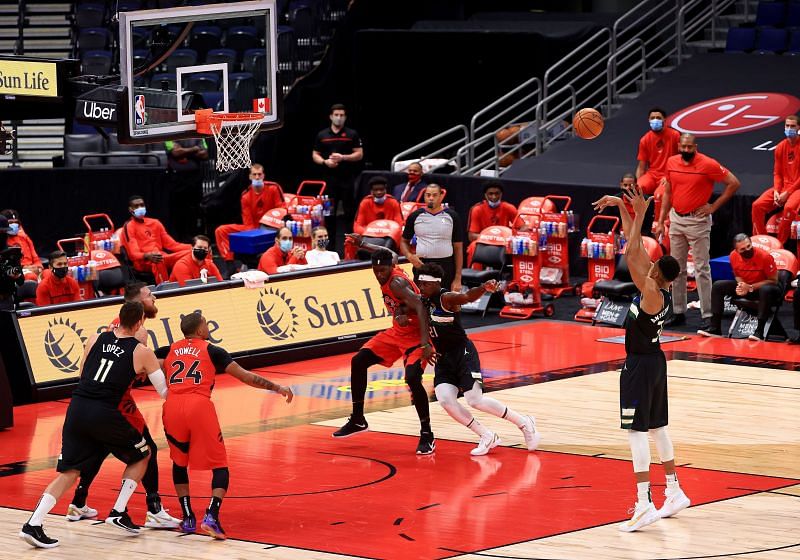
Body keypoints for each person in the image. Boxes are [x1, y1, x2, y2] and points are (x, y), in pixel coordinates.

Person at [19, 301, 169, 548]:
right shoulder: (142, 351)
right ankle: (119, 511)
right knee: (143, 453)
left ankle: (33, 524)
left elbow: (83, 373)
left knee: (69, 471)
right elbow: (163, 391)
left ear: (118, 318)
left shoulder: (94, 338)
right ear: (141, 322)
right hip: (104, 411)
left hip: (76, 407)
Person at [593, 184, 688, 533]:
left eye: (651, 265)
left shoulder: (650, 293)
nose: (645, 264)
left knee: (636, 433)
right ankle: (675, 490)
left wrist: (640, 213)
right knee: (659, 428)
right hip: (655, 363)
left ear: (657, 273)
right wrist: (622, 206)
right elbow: (634, 253)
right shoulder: (656, 285)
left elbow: (632, 248)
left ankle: (644, 501)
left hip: (639, 365)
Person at [157, 312, 293, 538]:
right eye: (206, 324)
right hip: (199, 406)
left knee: (179, 462)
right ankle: (212, 515)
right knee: (220, 464)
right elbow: (246, 377)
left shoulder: (168, 350)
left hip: (171, 406)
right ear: (201, 331)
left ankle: (188, 516)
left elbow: (144, 365)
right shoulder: (213, 351)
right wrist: (277, 387)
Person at [67, 283, 179, 529]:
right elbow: (143, 372)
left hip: (91, 399)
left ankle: (78, 500)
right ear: (138, 302)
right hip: (118, 402)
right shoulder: (139, 335)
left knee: (97, 448)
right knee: (145, 449)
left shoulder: (111, 327)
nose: (153, 297)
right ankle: (153, 508)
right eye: (149, 295)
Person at [417, 263, 541, 456]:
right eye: (420, 283)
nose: (421, 287)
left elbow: (466, 297)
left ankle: (524, 423)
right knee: (445, 400)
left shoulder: (446, 298)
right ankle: (486, 435)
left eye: (425, 284)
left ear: (435, 284)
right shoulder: (421, 301)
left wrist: (483, 288)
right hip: (443, 358)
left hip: (463, 353)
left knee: (475, 400)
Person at [333, 245, 435, 455]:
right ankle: (358, 418)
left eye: (383, 271)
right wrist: (363, 244)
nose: (380, 275)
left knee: (413, 378)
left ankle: (427, 434)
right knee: (358, 361)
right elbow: (386, 251)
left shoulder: (396, 282)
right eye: (376, 271)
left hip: (416, 335)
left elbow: (422, 307)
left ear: (391, 268)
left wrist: (425, 344)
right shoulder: (390, 262)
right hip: (397, 333)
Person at [655, 133, 741, 327]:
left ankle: (708, 315)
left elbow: (734, 183)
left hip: (698, 221)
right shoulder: (671, 162)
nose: (686, 151)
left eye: (689, 148)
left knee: (702, 268)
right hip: (676, 218)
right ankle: (678, 311)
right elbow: (668, 191)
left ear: (696, 147)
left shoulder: (708, 164)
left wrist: (713, 206)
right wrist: (661, 221)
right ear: (679, 146)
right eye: (683, 147)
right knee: (676, 268)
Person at [698, 234, 780, 341]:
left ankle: (759, 331)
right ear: (736, 250)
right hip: (746, 285)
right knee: (718, 285)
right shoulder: (733, 256)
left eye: (748, 246)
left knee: (766, 290)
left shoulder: (764, 257)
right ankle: (715, 327)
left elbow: (773, 280)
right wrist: (741, 285)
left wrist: (750, 287)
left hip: (766, 288)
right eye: (743, 249)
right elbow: (737, 275)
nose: (747, 250)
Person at [214, 164, 285, 274]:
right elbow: (248, 223)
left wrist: (270, 225)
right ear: (250, 177)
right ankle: (230, 264)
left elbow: (282, 210)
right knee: (221, 230)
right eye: (254, 174)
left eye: (259, 174)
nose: (257, 177)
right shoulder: (245, 196)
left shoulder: (273, 188)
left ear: (263, 175)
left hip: (272, 227)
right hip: (252, 227)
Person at [312, 104, 364, 248]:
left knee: (349, 214)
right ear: (331, 116)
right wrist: (325, 162)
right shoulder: (322, 135)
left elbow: (359, 154)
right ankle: (329, 248)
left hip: (347, 180)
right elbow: (315, 154)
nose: (339, 118)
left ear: (345, 117)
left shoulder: (351, 134)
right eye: (336, 115)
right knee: (329, 216)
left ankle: (350, 248)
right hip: (329, 182)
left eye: (342, 115)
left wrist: (343, 157)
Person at [401, 184, 463, 292]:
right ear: (424, 196)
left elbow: (458, 248)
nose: (431, 198)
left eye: (434, 195)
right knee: (421, 303)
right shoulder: (415, 216)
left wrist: (458, 278)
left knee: (444, 303)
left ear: (440, 197)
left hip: (446, 266)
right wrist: (409, 256)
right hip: (422, 265)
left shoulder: (452, 216)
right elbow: (403, 241)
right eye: (428, 195)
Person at [121, 195, 192, 284]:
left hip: (162, 256)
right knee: (158, 260)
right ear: (130, 209)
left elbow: (172, 245)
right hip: (144, 262)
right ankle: (165, 290)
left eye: (142, 205)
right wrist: (147, 256)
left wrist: (193, 247)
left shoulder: (155, 223)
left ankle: (197, 284)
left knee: (194, 253)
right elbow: (133, 254)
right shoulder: (129, 226)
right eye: (136, 206)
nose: (140, 208)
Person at [751, 115, 800, 243]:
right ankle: (763, 241)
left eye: (793, 126)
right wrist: (777, 191)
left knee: (789, 208)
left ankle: (779, 245)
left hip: (797, 189)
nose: (789, 128)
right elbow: (777, 173)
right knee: (757, 205)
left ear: (798, 127)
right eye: (787, 126)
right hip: (783, 188)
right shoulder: (779, 147)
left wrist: (787, 193)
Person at [344, 176, 403, 259]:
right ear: (371, 191)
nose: (379, 192)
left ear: (385, 190)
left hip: (388, 236)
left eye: (381, 189)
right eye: (376, 190)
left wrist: (386, 233)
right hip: (369, 236)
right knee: (350, 240)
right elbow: (357, 225)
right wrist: (370, 233)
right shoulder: (365, 202)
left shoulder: (393, 202)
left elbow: (400, 223)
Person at [635, 107, 681, 196]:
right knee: (637, 190)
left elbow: (682, 159)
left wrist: (671, 176)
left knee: (659, 195)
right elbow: (641, 167)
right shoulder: (645, 139)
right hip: (652, 175)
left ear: (664, 119)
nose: (655, 120)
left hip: (669, 174)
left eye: (658, 118)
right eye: (652, 118)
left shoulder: (675, 135)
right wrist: (638, 183)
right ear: (648, 120)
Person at [1, 209, 43, 281]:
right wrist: (24, 268)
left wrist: (39, 268)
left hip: (33, 269)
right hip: (17, 271)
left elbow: (36, 258)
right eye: (11, 222)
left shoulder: (24, 237)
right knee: (31, 277)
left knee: (48, 274)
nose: (14, 225)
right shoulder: (2, 242)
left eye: (16, 222)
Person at [0, 214, 24, 311]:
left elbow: (21, 281)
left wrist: (16, 276)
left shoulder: (11, 253)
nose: (2, 235)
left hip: (6, 301)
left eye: (4, 232)